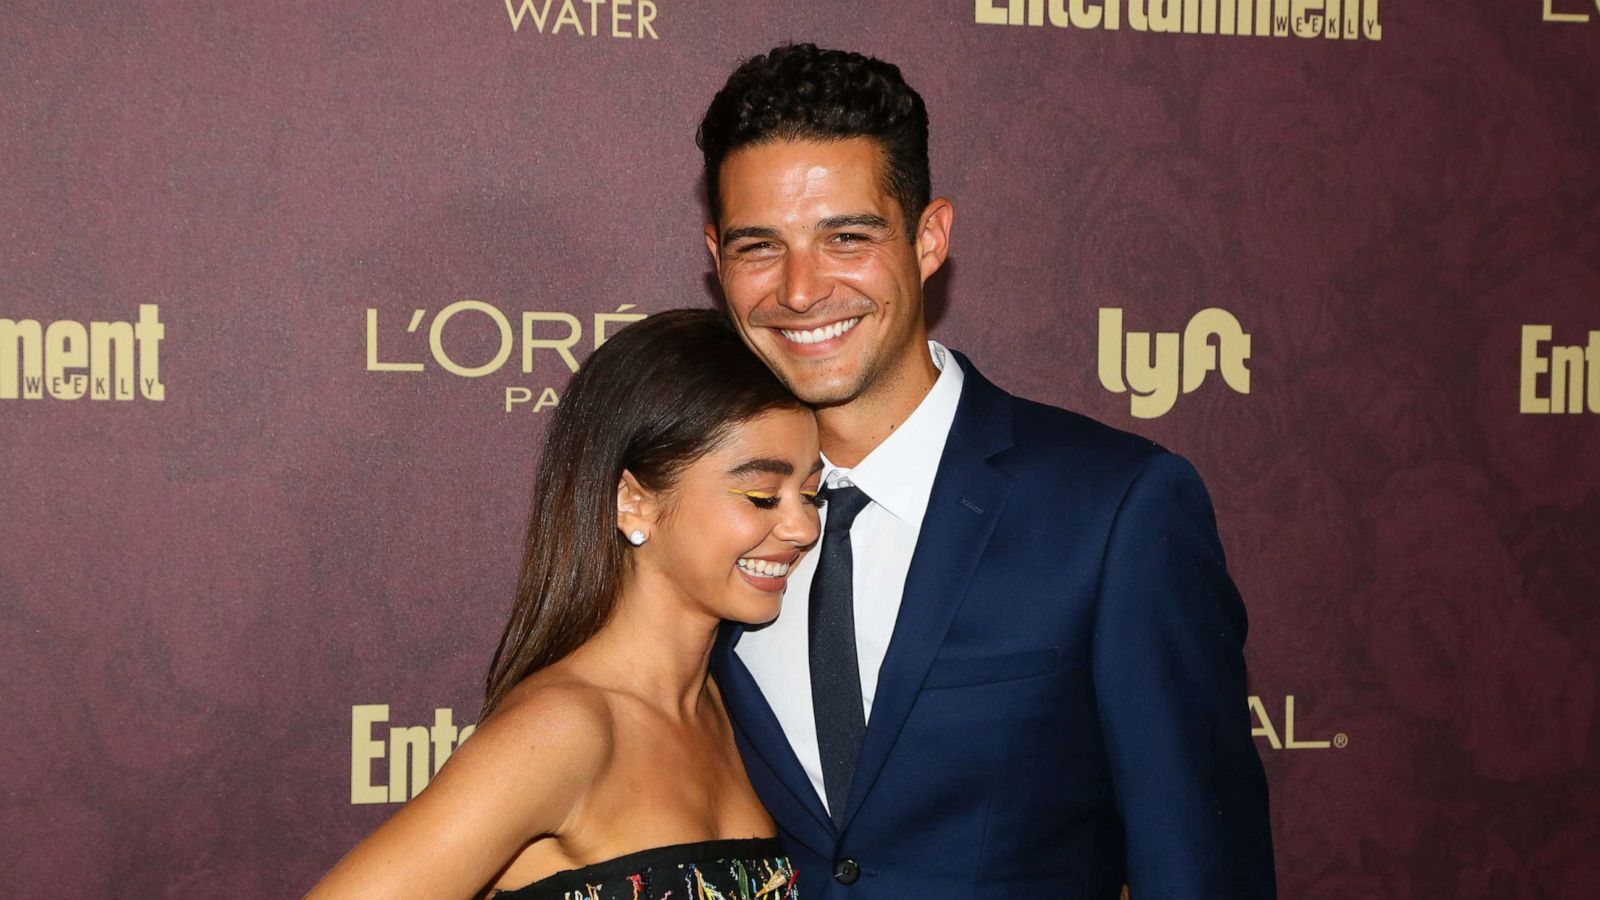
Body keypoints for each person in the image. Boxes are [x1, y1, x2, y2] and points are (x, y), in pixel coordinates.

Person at [697, 44, 1276, 898]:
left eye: (846, 237)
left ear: (929, 239)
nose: (800, 288)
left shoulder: (1114, 512)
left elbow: (1198, 871)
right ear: (716, 259)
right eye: (759, 247)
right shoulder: (686, 517)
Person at [308, 309, 815, 900]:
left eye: (810, 492)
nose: (802, 525)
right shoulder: (562, 730)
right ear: (634, 502)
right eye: (761, 494)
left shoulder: (728, 707)